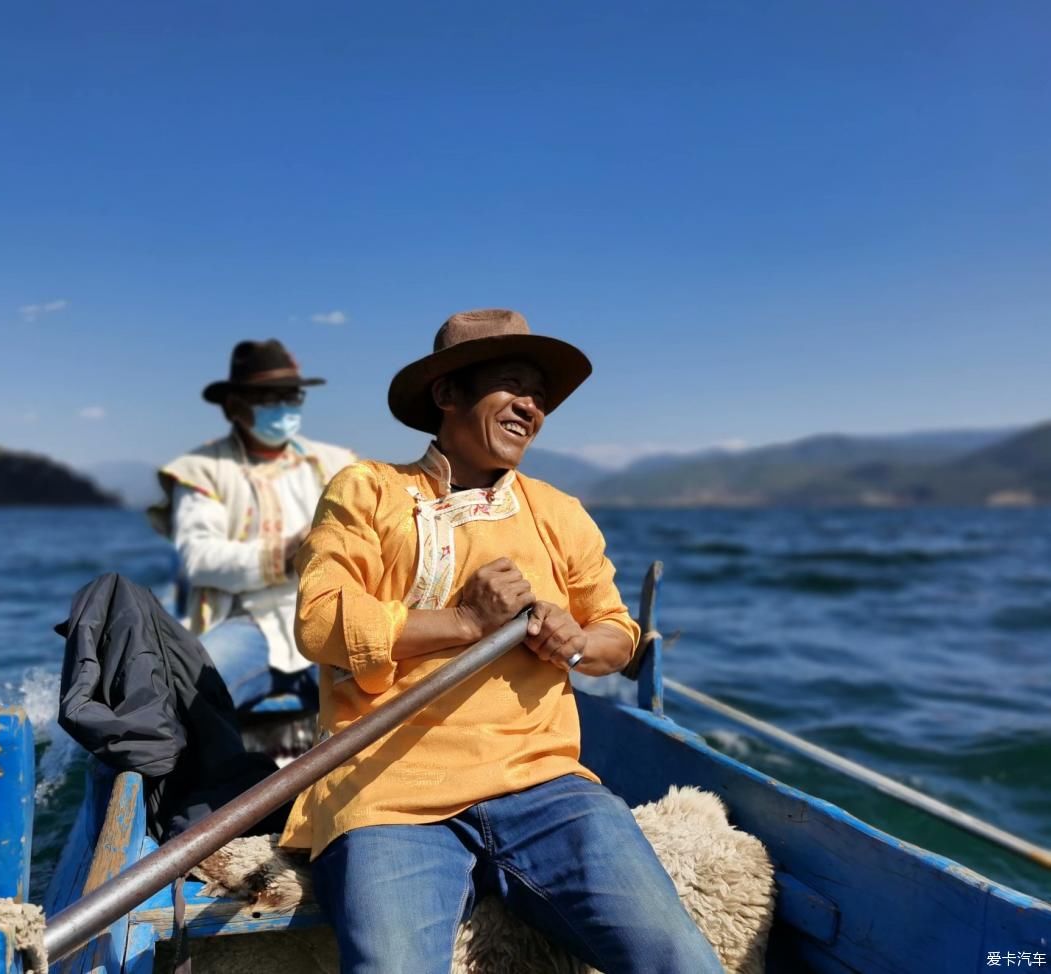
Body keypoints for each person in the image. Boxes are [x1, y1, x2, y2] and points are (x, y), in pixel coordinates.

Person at [279, 310, 722, 974]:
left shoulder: (559, 512)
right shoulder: (367, 490)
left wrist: (576, 642)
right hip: (388, 788)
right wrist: (466, 623)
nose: (531, 407)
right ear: (447, 394)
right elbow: (321, 622)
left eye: (539, 397)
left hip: (544, 784)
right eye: (512, 385)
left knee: (680, 959)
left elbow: (618, 636)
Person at [148, 339, 355, 711]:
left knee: (398, 688)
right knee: (180, 695)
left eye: (291, 398)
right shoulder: (201, 471)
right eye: (268, 398)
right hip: (247, 621)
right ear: (234, 407)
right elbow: (199, 559)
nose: (284, 409)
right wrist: (288, 553)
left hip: (332, 616)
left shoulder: (338, 463)